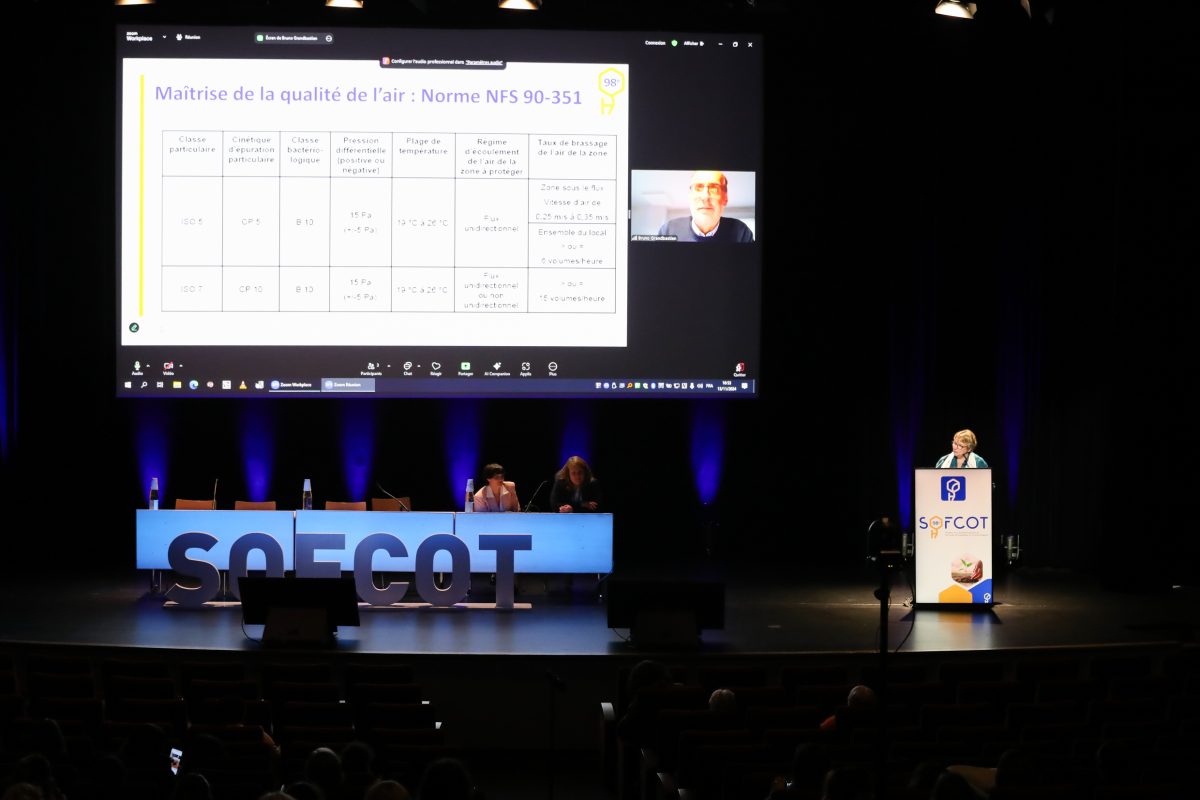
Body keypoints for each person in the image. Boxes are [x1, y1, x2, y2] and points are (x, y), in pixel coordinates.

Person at [657, 170, 754, 242]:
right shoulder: (668, 230)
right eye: (698, 187)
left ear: (725, 198)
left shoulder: (741, 233)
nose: (705, 196)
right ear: (689, 197)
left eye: (714, 188)